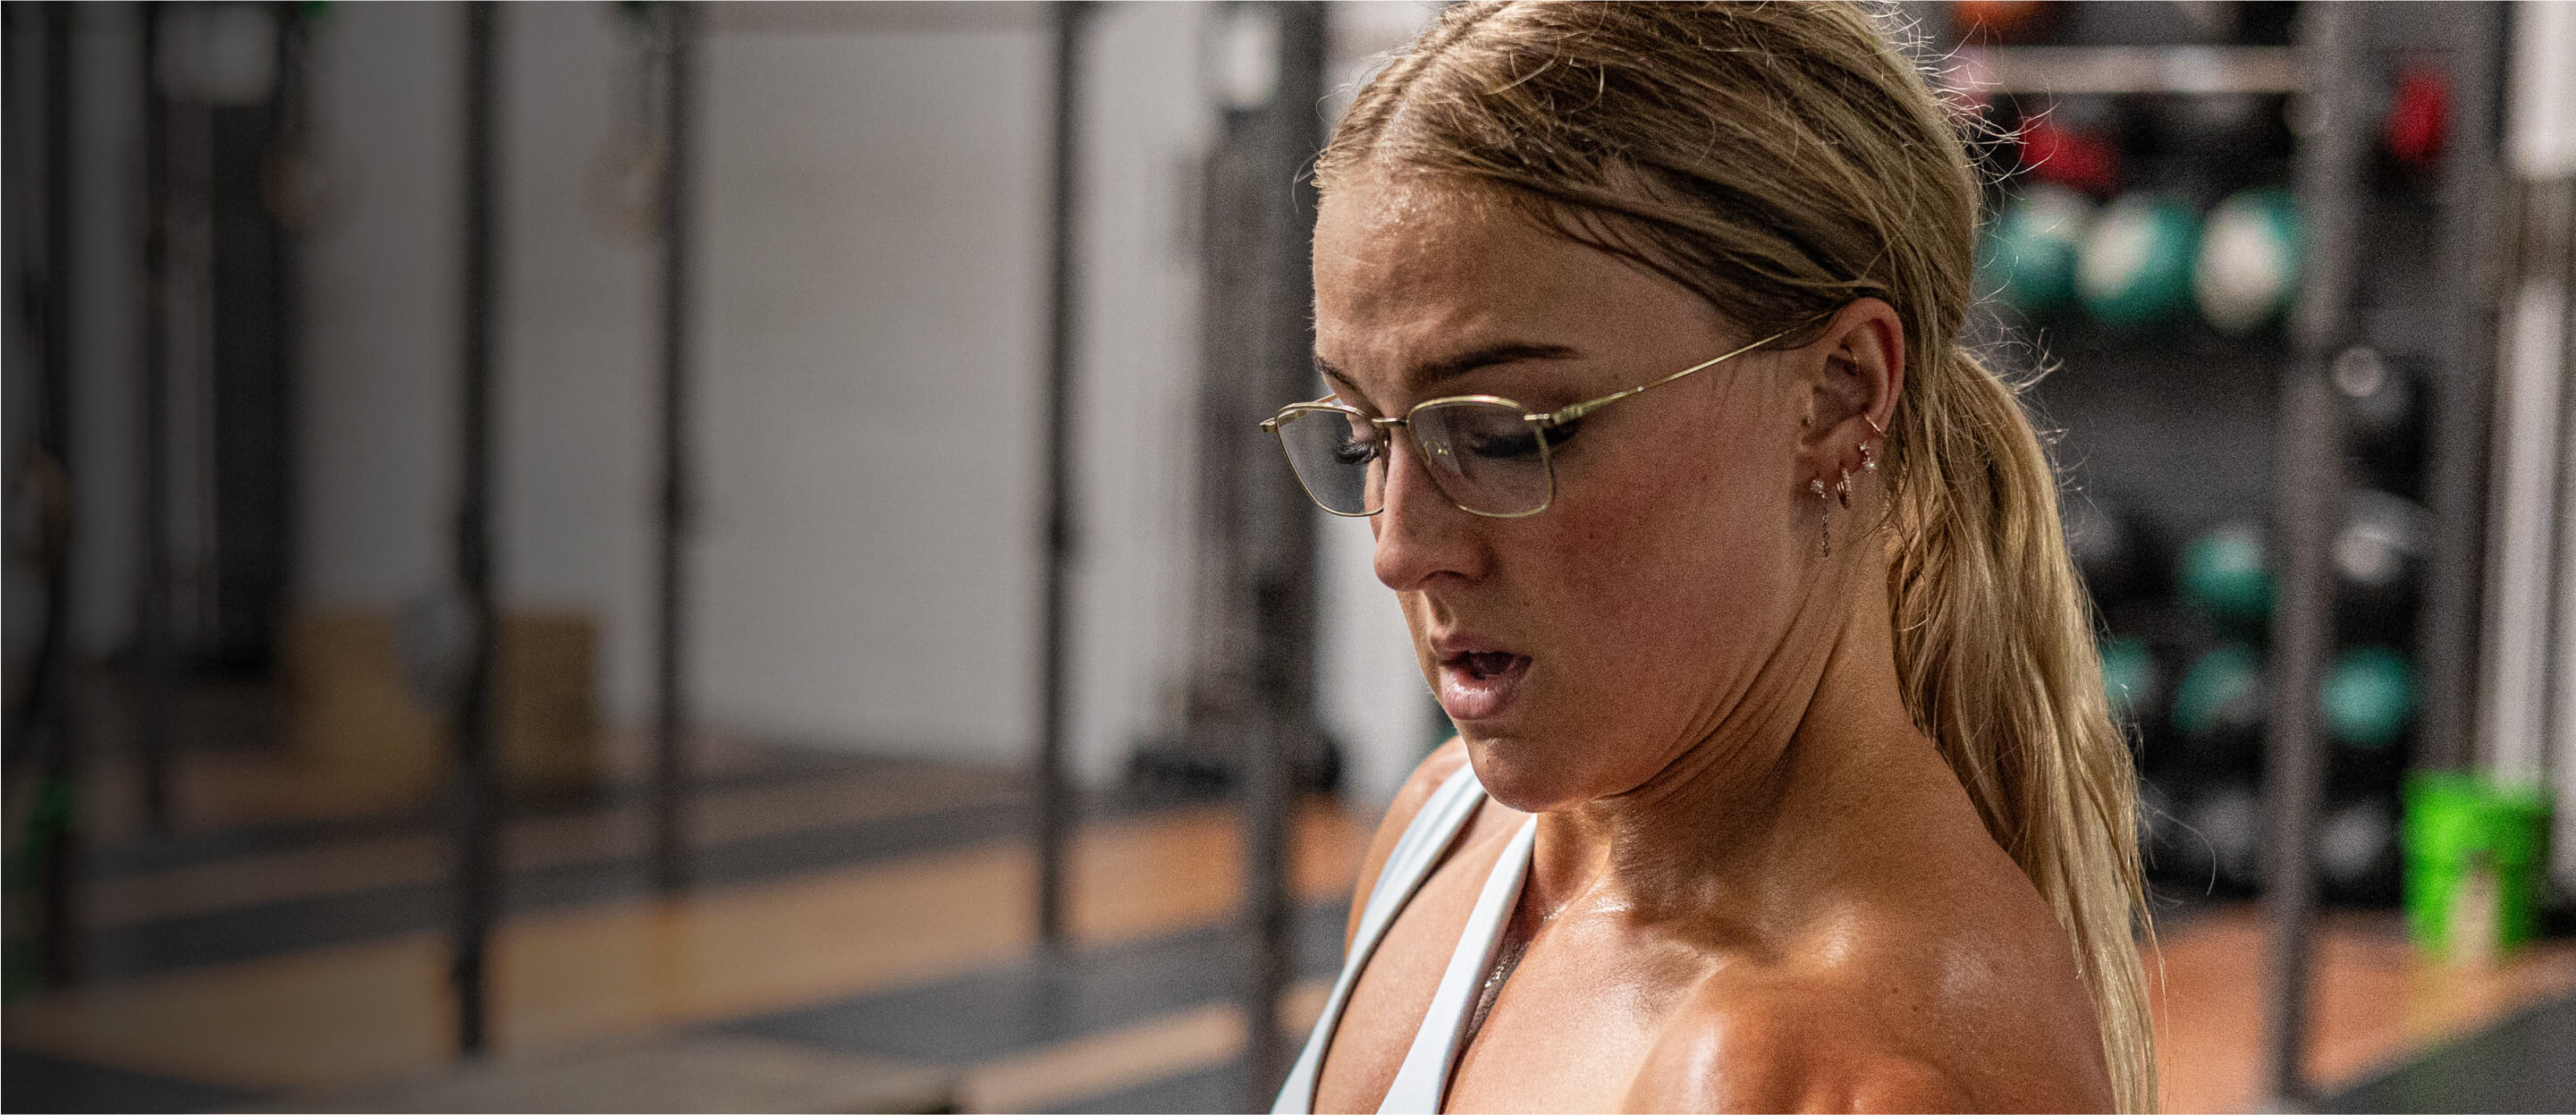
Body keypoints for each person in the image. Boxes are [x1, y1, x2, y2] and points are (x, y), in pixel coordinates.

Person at [1260, 3, 2154, 1112]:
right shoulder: (1445, 826)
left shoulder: (1819, 1071)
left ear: (1836, 396)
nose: (1399, 547)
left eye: (1504, 434)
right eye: (1362, 434)